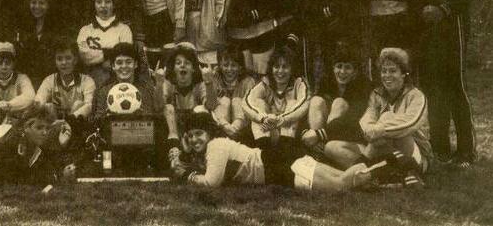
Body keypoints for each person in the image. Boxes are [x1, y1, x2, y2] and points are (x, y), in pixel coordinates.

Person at [169, 111, 420, 191]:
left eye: (199, 134)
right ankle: (391, 169)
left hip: (277, 167)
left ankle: (393, 165)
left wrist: (185, 175)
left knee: (342, 184)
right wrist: (182, 154)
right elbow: (189, 157)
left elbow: (211, 182)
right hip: (278, 162)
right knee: (342, 181)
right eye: (191, 136)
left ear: (209, 133)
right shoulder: (212, 147)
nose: (194, 139)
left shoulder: (216, 146)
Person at [411, 0, 478, 168]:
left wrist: (443, 9)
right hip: (425, 27)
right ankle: (439, 148)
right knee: (431, 87)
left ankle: (466, 152)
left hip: (451, 26)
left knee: (453, 86)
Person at [323, 48, 429, 188]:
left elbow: (410, 123)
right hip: (380, 148)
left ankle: (363, 171)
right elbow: (367, 117)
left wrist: (380, 128)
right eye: (384, 71)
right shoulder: (377, 94)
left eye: (392, 71)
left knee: (387, 117)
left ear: (404, 73)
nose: (387, 75)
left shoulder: (416, 96)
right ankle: (386, 177)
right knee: (331, 147)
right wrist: (370, 130)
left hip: (413, 152)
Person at [301, 43, 371, 161]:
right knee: (316, 100)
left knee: (339, 103)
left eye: (348, 67)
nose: (342, 71)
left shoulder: (362, 86)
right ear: (333, 68)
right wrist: (305, 132)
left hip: (349, 137)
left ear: (355, 71)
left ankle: (326, 151)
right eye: (339, 66)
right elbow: (311, 111)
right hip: (322, 135)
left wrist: (320, 134)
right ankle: (317, 149)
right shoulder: (327, 83)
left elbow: (351, 120)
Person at [243, 45, 309, 149]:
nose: (280, 71)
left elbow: (304, 104)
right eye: (276, 66)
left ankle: (284, 150)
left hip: (291, 134)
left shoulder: (299, 83)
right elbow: (247, 102)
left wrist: (283, 119)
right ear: (271, 68)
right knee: (259, 104)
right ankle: (264, 150)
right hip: (269, 129)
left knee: (292, 103)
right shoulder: (265, 83)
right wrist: (263, 118)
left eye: (285, 67)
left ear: (292, 68)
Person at [35, 37, 96, 144]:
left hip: (77, 125)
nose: (64, 63)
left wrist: (70, 119)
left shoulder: (87, 80)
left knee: (79, 104)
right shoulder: (50, 80)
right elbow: (39, 98)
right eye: (59, 59)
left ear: (75, 60)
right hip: (55, 124)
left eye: (68, 58)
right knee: (48, 106)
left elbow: (89, 105)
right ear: (55, 61)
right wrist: (39, 104)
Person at [77, 0, 133, 87]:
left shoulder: (124, 29)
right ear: (94, 4)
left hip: (116, 83)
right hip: (89, 83)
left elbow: (124, 58)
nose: (103, 6)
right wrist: (109, 54)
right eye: (99, 2)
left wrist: (97, 60)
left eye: (107, 1)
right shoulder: (85, 30)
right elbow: (84, 56)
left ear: (114, 4)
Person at [92, 42, 164, 123]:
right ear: (113, 66)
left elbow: (153, 117)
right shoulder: (104, 91)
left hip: (141, 134)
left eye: (128, 62)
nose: (124, 66)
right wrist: (109, 116)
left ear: (135, 64)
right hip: (113, 134)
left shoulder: (146, 89)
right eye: (119, 63)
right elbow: (97, 121)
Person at [162, 42, 216, 142]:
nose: (182, 65)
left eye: (187, 63)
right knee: (168, 107)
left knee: (201, 109)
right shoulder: (168, 84)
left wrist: (209, 83)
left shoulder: (200, 84)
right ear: (173, 68)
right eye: (178, 63)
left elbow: (211, 106)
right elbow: (158, 106)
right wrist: (158, 84)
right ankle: (173, 144)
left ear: (194, 69)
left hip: (195, 131)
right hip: (175, 130)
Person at [208, 45, 255, 142]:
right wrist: (224, 125)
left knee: (237, 101)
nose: (229, 69)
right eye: (225, 65)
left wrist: (234, 127)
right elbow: (211, 106)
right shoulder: (215, 78)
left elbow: (250, 107)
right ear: (220, 65)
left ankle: (232, 134)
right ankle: (228, 134)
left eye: (233, 65)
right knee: (224, 101)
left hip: (241, 126)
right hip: (221, 123)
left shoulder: (248, 81)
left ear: (240, 67)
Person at [17, 0, 57, 89]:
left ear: (48, 5)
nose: (37, 6)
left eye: (42, 3)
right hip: (28, 77)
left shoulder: (55, 28)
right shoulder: (23, 27)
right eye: (34, 2)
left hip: (49, 77)